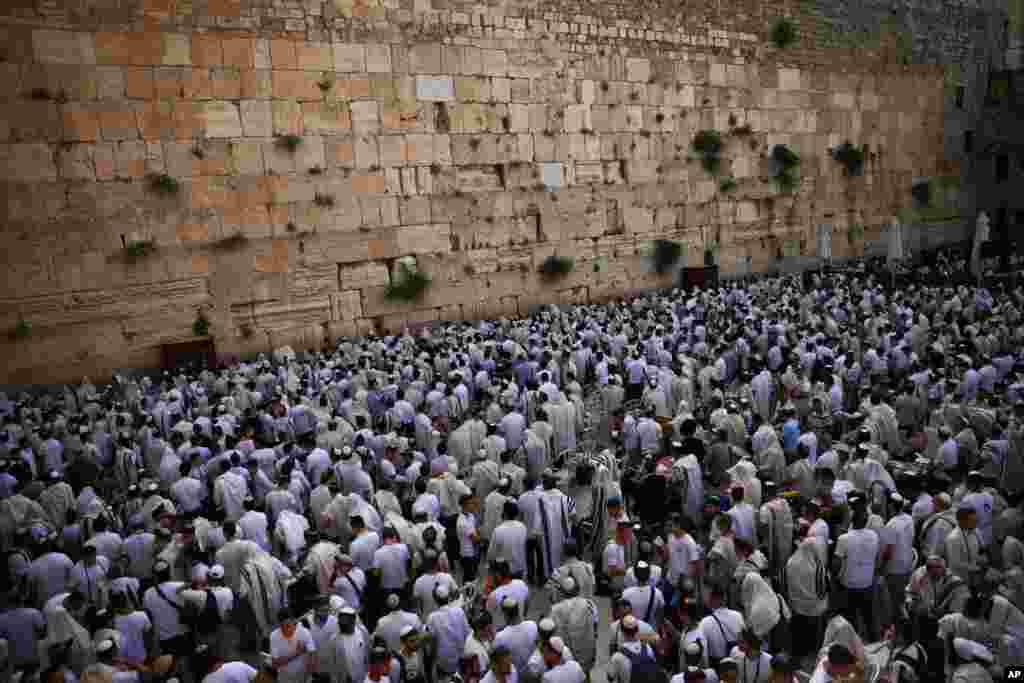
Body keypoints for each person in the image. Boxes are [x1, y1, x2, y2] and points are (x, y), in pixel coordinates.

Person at [270, 608, 316, 683]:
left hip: (303, 676)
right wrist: (297, 653)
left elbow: (313, 655)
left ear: (294, 621)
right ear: (279, 624)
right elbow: (275, 663)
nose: (286, 629)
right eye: (282, 627)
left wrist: (308, 674)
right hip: (285, 678)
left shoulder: (304, 632)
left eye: (288, 625)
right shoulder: (274, 636)